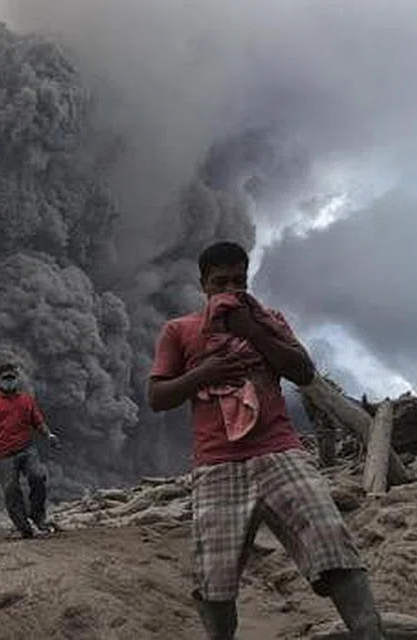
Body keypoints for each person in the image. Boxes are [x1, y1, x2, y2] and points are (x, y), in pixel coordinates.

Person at [147, 241, 385, 640]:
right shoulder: (178, 331)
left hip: (280, 452)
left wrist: (253, 331)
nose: (230, 288)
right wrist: (205, 373)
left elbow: (303, 371)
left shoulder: (267, 320)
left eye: (238, 280)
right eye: (220, 281)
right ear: (203, 283)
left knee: (333, 543)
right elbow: (157, 397)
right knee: (214, 582)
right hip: (217, 465)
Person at [0, 362, 59, 538]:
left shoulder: (26, 400)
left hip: (27, 448)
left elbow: (38, 422)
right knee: (11, 490)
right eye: (5, 378)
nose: (9, 381)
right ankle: (23, 527)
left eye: (12, 378)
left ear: (17, 380)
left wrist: (49, 435)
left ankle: (38, 517)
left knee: (38, 475)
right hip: (3, 454)